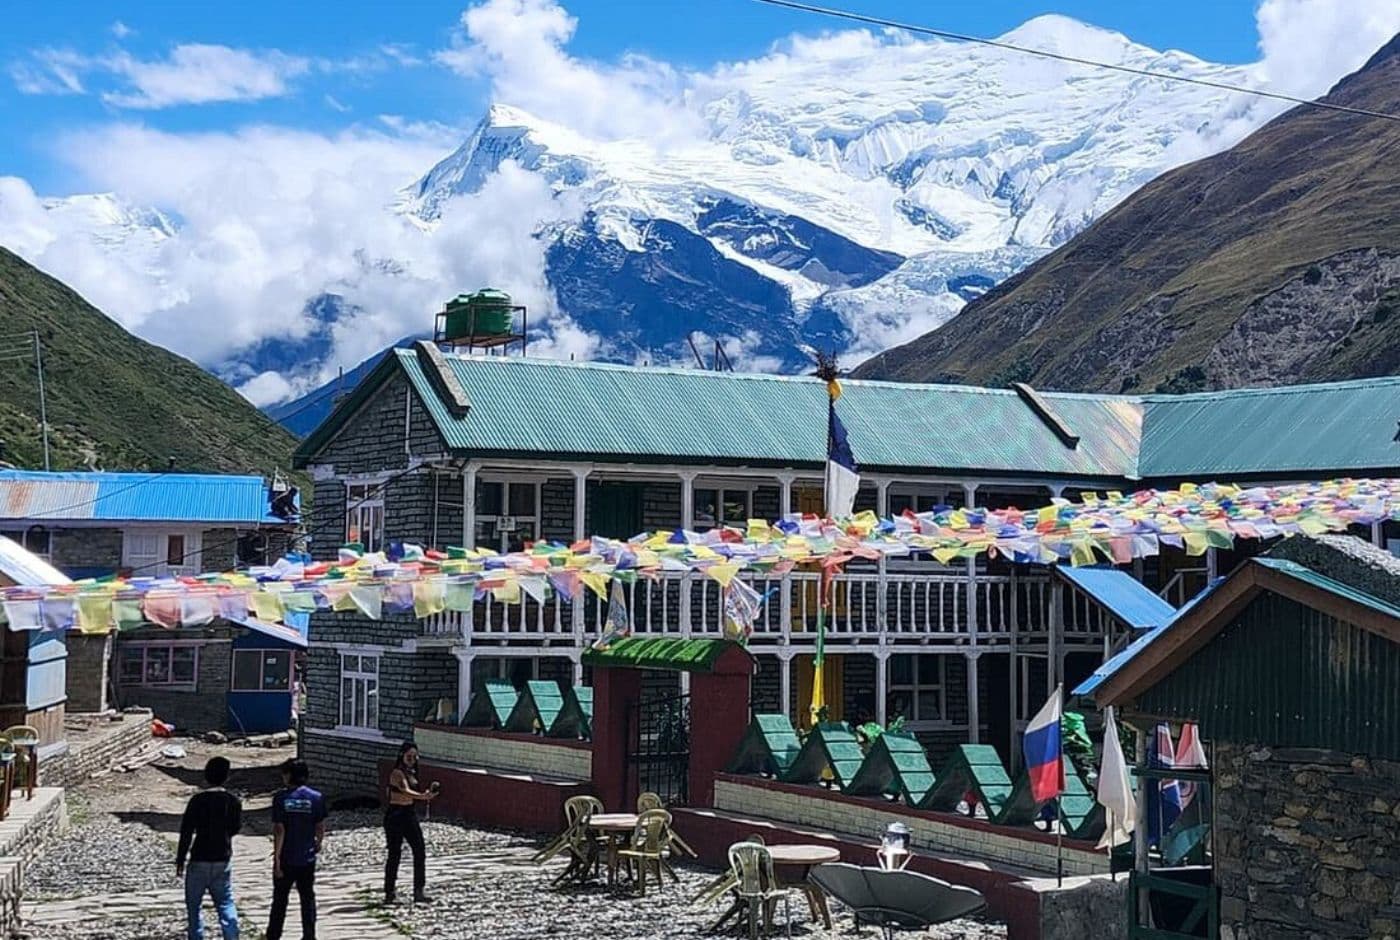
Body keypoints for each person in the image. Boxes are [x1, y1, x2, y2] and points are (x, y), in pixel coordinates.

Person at [176, 756, 242, 940]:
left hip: (199, 858)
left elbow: (186, 831)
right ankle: (231, 935)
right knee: (225, 902)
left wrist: (180, 859)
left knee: (194, 906)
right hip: (222, 858)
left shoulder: (197, 800)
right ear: (227, 777)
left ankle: (196, 936)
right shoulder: (233, 801)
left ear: (206, 776)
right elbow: (235, 828)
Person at [267, 759, 327, 940]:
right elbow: (320, 825)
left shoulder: (281, 798)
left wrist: (276, 859)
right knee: (307, 897)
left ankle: (274, 935)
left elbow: (279, 830)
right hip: (306, 857)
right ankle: (309, 935)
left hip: (286, 857)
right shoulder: (316, 797)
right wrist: (318, 842)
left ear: (289, 775)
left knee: (280, 899)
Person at [384, 741, 438, 905]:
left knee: (419, 850)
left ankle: (418, 890)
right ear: (402, 755)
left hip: (409, 813)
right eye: (409, 756)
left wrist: (427, 794)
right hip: (395, 814)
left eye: (415, 757)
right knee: (395, 853)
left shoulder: (413, 772)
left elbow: (412, 791)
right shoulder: (397, 773)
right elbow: (405, 790)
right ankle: (389, 891)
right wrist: (423, 797)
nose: (412, 759)